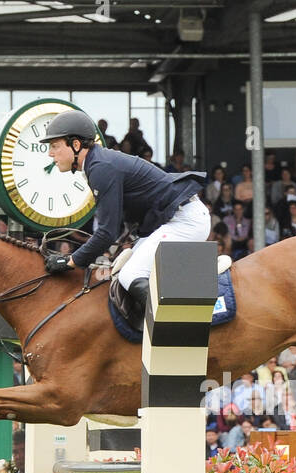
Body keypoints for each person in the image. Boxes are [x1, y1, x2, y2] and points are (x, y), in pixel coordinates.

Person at [36, 109, 208, 329]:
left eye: (55, 146)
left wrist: (71, 261)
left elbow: (107, 232)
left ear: (76, 145)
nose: (51, 154)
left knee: (130, 275)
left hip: (184, 220)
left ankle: (178, 332)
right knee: (120, 270)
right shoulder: (97, 163)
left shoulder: (101, 168)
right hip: (175, 219)